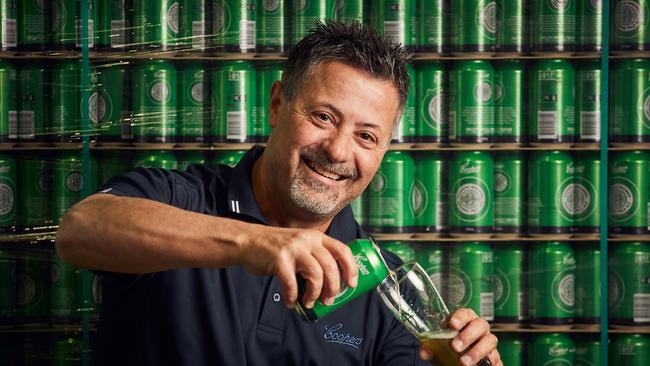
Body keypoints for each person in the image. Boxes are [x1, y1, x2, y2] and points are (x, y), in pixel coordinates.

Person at [56, 21, 501, 366]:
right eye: (324, 117)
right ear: (277, 105)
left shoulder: (388, 286)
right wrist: (254, 242)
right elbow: (80, 230)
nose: (338, 150)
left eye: (367, 136)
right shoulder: (181, 196)